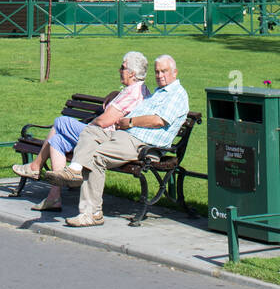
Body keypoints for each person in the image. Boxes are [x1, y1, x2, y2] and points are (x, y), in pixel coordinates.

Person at [44, 55, 189, 226]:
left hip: (141, 143)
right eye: (157, 72)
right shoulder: (158, 92)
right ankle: (74, 170)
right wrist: (117, 95)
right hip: (124, 135)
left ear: (175, 72)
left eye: (164, 71)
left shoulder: (177, 94)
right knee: (91, 131)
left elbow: (159, 120)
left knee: (96, 156)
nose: (159, 75)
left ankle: (92, 213)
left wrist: (131, 122)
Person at [12, 52, 149, 212]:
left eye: (123, 67)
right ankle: (53, 197)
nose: (119, 70)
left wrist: (92, 122)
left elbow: (105, 121)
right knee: (56, 141)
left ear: (132, 73)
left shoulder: (133, 93)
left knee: (60, 122)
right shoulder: (135, 90)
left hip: (103, 138)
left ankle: (36, 167)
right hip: (99, 134)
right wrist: (114, 95)